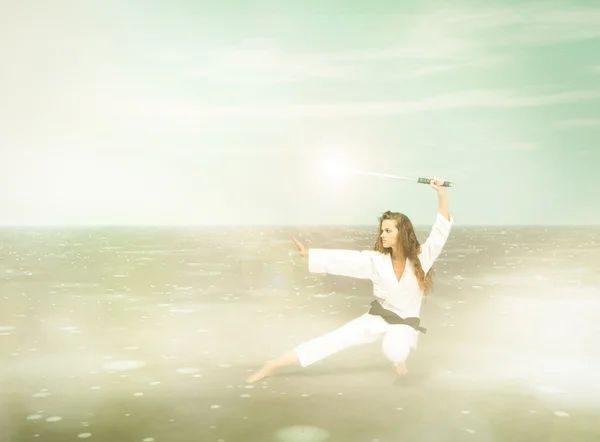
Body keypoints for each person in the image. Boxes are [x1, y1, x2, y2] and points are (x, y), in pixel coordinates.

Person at [246, 177, 453, 383]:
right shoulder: (376, 261)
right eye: (381, 230)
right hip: (378, 317)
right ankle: (273, 365)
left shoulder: (421, 257)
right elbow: (346, 260)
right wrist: (310, 254)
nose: (382, 235)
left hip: (405, 324)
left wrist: (441, 193)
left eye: (388, 230)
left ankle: (399, 361)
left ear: (403, 233)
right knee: (333, 340)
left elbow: (440, 232)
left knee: (395, 350)